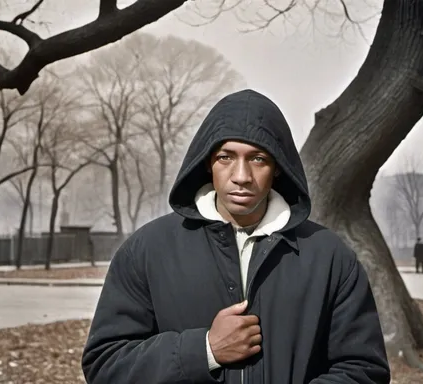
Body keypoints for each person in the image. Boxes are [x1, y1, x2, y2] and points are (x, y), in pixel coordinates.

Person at [81, 89, 391, 384]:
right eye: (226, 157)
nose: (241, 176)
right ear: (208, 162)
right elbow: (105, 363)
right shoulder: (147, 250)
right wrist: (204, 351)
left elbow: (364, 369)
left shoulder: (329, 256)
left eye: (258, 159)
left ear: (278, 168)